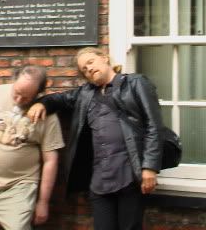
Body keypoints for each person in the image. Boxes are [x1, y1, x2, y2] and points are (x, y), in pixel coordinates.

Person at [27, 47, 163, 230]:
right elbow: (59, 99)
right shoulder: (85, 94)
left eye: (90, 62)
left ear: (104, 58)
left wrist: (150, 168)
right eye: (84, 69)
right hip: (100, 182)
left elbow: (153, 125)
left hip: (130, 177)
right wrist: (41, 103)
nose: (88, 69)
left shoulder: (135, 83)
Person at [0, 65, 64, 230]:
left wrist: (43, 202)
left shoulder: (47, 115)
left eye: (26, 98)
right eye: (16, 93)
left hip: (18, 188)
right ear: (13, 81)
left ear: (38, 94)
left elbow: (50, 161)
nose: (19, 100)